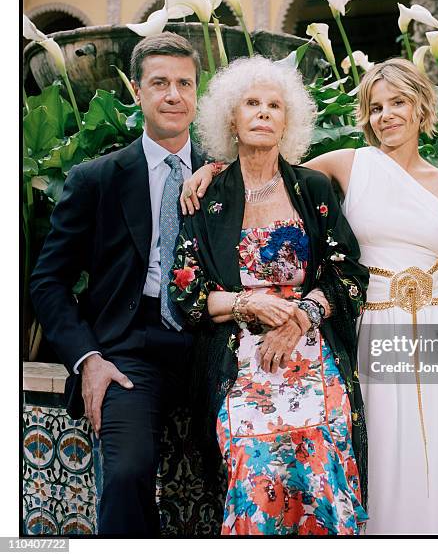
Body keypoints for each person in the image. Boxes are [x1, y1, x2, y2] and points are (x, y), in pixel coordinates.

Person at [181, 57, 438, 535]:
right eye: (375, 107)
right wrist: (214, 168)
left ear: (421, 108)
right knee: (382, 448)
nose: (386, 115)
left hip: (437, 325)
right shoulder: (348, 165)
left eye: (398, 103)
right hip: (373, 321)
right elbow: (270, 170)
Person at [169, 56, 369, 535]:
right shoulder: (208, 194)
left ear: (288, 120)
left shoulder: (312, 188)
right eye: (251, 103)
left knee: (323, 474)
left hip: (313, 356)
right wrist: (246, 303)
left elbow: (348, 275)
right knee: (253, 475)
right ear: (231, 120)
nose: (263, 112)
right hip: (240, 363)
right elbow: (188, 291)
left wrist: (298, 317)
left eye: (274, 105)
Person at [30, 32, 205, 536]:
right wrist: (88, 358)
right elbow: (48, 281)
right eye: (160, 83)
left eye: (185, 83)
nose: (174, 94)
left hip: (214, 342)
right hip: (129, 349)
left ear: (196, 93)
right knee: (126, 473)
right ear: (135, 90)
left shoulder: (225, 172)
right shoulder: (96, 178)